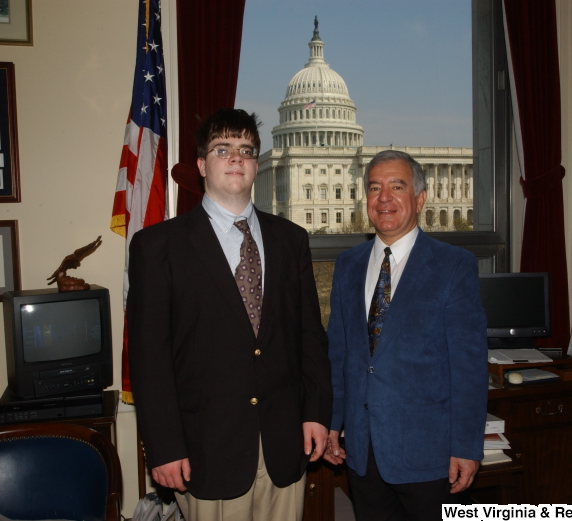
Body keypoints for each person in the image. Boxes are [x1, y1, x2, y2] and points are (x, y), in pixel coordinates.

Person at [127, 108, 332, 521]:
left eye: (246, 150)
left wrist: (317, 413)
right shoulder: (157, 247)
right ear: (202, 164)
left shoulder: (290, 239)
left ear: (256, 164)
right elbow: (150, 359)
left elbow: (309, 336)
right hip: (206, 447)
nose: (236, 158)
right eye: (223, 149)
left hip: (283, 441)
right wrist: (164, 447)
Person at [324, 150, 487, 520]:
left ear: (420, 198)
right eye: (375, 187)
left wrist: (466, 446)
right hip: (363, 452)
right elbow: (339, 353)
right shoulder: (348, 265)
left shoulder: (454, 266)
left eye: (397, 186)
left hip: (430, 456)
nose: (384, 198)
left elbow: (469, 368)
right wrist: (334, 421)